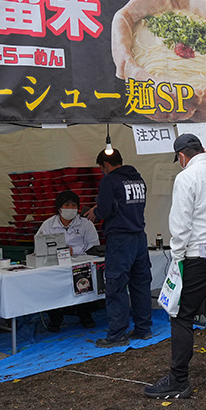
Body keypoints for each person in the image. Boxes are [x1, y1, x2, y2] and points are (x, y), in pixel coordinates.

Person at [144, 134, 206, 399]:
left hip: (198, 257)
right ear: (202, 149)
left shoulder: (187, 177)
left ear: (181, 156)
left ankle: (179, 379)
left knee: (182, 315)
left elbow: (180, 223)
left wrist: (177, 258)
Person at [91, 148, 151, 347]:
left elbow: (106, 210)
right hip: (139, 237)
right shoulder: (138, 180)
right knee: (140, 284)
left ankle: (117, 334)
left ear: (105, 166)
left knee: (116, 285)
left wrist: (96, 212)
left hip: (120, 239)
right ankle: (143, 329)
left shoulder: (110, 181)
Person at [38, 190, 100, 332]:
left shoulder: (86, 224)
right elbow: (39, 245)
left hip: (80, 262)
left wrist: (74, 250)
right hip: (56, 264)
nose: (70, 208)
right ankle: (55, 318)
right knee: (51, 285)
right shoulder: (48, 224)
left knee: (85, 282)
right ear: (59, 208)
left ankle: (85, 315)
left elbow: (93, 244)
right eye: (67, 205)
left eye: (74, 205)